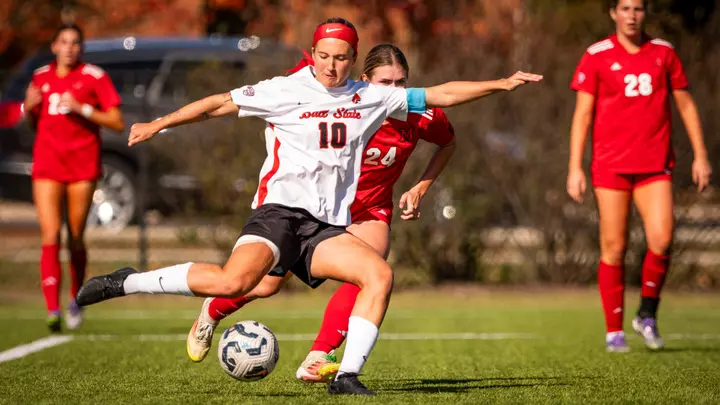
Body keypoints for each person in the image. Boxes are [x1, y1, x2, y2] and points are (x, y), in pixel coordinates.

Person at [76, 17, 542, 395]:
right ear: (313, 53)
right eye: (324, 56)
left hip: (323, 226)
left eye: (341, 58)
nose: (331, 66)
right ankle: (126, 281)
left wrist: (501, 83)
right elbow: (218, 103)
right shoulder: (285, 88)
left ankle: (345, 375)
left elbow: (441, 95)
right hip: (278, 214)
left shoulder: (370, 97)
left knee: (378, 274)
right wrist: (159, 123)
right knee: (236, 281)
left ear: (352, 60)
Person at [184, 43, 457, 384]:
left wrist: (420, 187)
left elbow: (448, 142)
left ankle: (319, 355)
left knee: (373, 270)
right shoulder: (343, 105)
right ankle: (212, 309)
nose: (394, 91)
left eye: (401, 83)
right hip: (313, 207)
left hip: (367, 210)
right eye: (385, 83)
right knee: (267, 284)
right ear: (364, 81)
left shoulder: (419, 114)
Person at [567, 0, 711, 352]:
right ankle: (614, 330)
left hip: (654, 164)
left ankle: (647, 314)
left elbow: (686, 105)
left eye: (639, 8)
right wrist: (575, 166)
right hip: (610, 165)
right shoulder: (596, 55)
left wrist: (701, 155)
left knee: (662, 239)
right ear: (613, 13)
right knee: (614, 247)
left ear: (645, 14)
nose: (632, 15)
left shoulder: (663, 53)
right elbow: (583, 115)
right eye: (625, 8)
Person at [23, 23, 124, 333]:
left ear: (81, 48)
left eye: (75, 43)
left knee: (75, 236)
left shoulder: (94, 77)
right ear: (54, 46)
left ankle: (75, 300)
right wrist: (29, 107)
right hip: (48, 165)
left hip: (82, 165)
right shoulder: (40, 76)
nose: (69, 47)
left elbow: (117, 121)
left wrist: (83, 108)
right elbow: (32, 122)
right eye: (63, 42)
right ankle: (52, 309)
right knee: (50, 235)